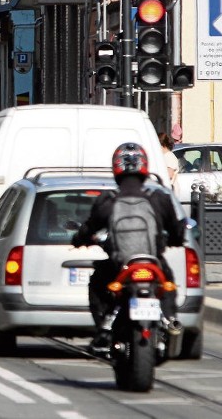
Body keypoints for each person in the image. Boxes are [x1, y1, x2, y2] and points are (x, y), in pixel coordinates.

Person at [71, 142, 185, 350]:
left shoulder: (108, 200)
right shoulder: (158, 198)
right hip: (152, 263)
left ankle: (104, 330)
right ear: (144, 167)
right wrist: (175, 239)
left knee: (98, 282)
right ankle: (170, 319)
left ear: (116, 168)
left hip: (119, 265)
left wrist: (78, 240)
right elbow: (177, 229)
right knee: (167, 283)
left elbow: (89, 228)